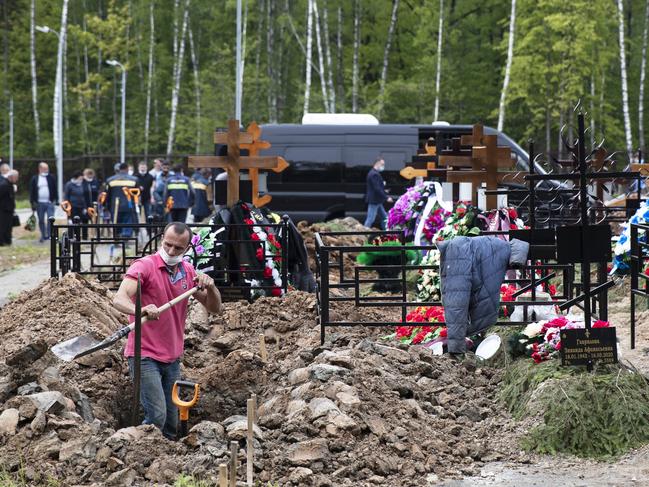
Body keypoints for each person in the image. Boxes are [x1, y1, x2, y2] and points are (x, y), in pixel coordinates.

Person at [112, 222, 222, 439]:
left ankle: (168, 464)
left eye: (178, 248)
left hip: (172, 357)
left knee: (171, 422)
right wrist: (141, 308)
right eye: (168, 245)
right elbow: (119, 298)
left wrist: (211, 287)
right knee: (157, 417)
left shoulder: (187, 271)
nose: (171, 251)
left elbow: (215, 308)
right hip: (144, 355)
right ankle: (139, 451)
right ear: (162, 239)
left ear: (187, 248)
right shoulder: (144, 266)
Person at [105, 163, 138, 237]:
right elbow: (137, 193)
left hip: (115, 206)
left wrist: (107, 206)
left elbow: (107, 195)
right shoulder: (134, 180)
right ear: (127, 169)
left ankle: (117, 237)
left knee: (116, 222)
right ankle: (125, 238)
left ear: (119, 169)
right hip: (129, 205)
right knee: (128, 222)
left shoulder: (110, 180)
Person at [29, 162, 58, 242]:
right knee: (41, 219)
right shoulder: (35, 178)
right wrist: (32, 203)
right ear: (40, 169)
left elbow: (55, 189)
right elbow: (32, 191)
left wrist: (56, 199)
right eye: (45, 168)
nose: (46, 170)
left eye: (47, 168)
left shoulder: (51, 177)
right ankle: (43, 235)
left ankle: (49, 235)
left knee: (50, 218)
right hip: (39, 203)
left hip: (49, 202)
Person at [364, 158, 393, 230]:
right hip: (374, 200)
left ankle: (386, 233)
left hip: (377, 200)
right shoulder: (374, 174)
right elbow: (377, 188)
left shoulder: (373, 173)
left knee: (385, 218)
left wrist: (384, 190)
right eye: (382, 164)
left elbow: (377, 187)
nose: (383, 166)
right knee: (370, 219)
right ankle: (363, 233)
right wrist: (386, 197)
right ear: (377, 163)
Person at [63, 171, 92, 238]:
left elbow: (84, 196)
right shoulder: (69, 185)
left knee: (83, 222)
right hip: (72, 207)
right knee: (72, 222)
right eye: (80, 178)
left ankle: (82, 236)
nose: (81, 180)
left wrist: (85, 207)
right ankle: (72, 236)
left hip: (82, 207)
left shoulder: (82, 184)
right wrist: (67, 207)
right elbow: (66, 196)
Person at [0, 170, 18, 246]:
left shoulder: (10, 185)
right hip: (3, 210)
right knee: (3, 226)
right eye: (16, 177)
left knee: (8, 227)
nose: (17, 179)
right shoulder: (4, 185)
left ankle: (7, 241)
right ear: (11, 176)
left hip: (9, 210)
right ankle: (2, 242)